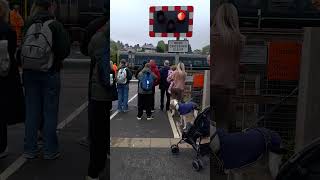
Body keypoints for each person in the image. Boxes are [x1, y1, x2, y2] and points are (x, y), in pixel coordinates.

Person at [21, 0, 70, 159]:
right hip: (49, 72)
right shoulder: (55, 25)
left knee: (31, 111)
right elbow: (64, 50)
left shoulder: (28, 23)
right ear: (51, 6)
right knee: (50, 112)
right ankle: (50, 150)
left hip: (29, 72)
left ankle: (30, 149)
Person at [86, 19, 116, 180]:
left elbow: (89, 52)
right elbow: (107, 77)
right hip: (102, 94)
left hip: (96, 93)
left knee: (98, 133)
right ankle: (94, 170)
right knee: (100, 133)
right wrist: (112, 82)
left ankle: (96, 168)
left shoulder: (97, 37)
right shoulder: (103, 42)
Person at [211, 3, 245, 132]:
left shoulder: (211, 36)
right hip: (227, 90)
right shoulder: (239, 40)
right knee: (222, 127)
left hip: (210, 86)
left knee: (207, 125)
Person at [78, 2, 108, 148]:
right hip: (111, 71)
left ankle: (93, 137)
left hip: (96, 71)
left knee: (95, 104)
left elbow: (84, 49)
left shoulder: (95, 25)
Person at [0, 0, 25, 159]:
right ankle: (1, 147)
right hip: (3, 77)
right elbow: (7, 57)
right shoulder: (7, 30)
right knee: (1, 112)